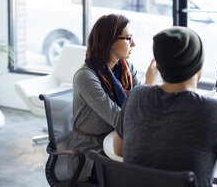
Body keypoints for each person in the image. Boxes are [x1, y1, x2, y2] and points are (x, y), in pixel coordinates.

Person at [113, 27, 217, 187]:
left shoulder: (136, 96)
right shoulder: (215, 111)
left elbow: (119, 149)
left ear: (158, 66)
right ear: (199, 68)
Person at [68, 14, 160, 182]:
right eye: (128, 38)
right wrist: (149, 85)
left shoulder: (126, 68)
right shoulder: (86, 77)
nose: (134, 44)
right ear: (109, 41)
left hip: (118, 142)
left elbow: (139, 107)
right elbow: (122, 120)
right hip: (92, 155)